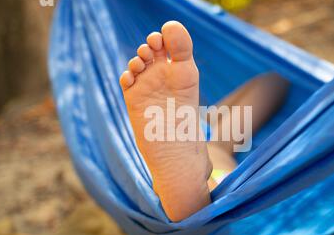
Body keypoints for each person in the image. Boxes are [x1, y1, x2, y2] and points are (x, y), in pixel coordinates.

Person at [120, 21, 288, 222]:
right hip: (206, 141)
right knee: (273, 81)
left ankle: (191, 193)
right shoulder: (201, 125)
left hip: (195, 134)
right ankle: (194, 193)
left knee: (274, 80)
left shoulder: (189, 120)